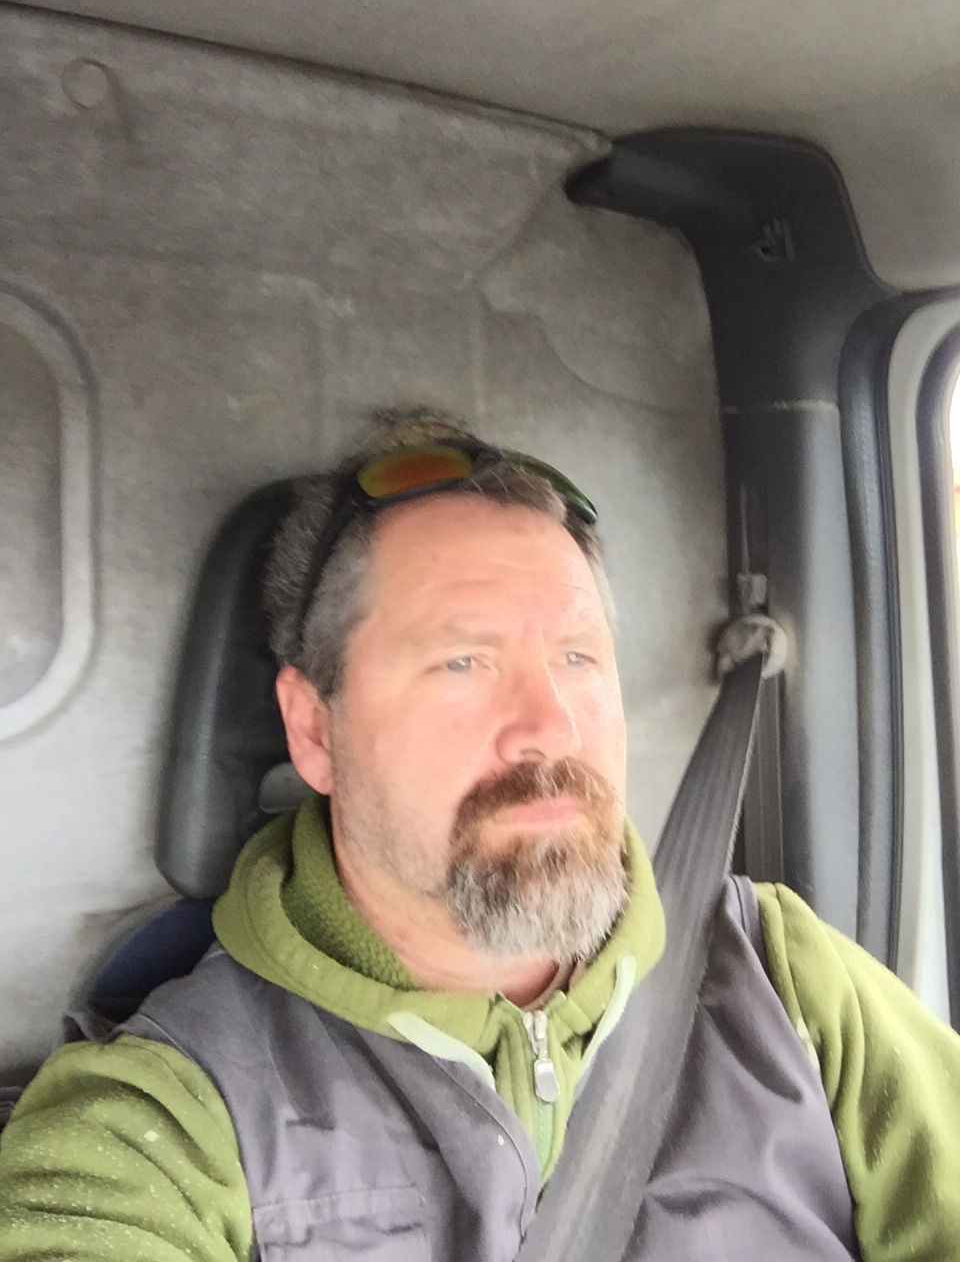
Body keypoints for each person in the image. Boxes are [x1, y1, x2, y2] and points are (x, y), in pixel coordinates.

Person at [1, 414, 960, 1261]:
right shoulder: (160, 1119)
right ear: (314, 730)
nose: (550, 726)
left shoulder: (785, 976)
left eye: (577, 656)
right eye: (463, 661)